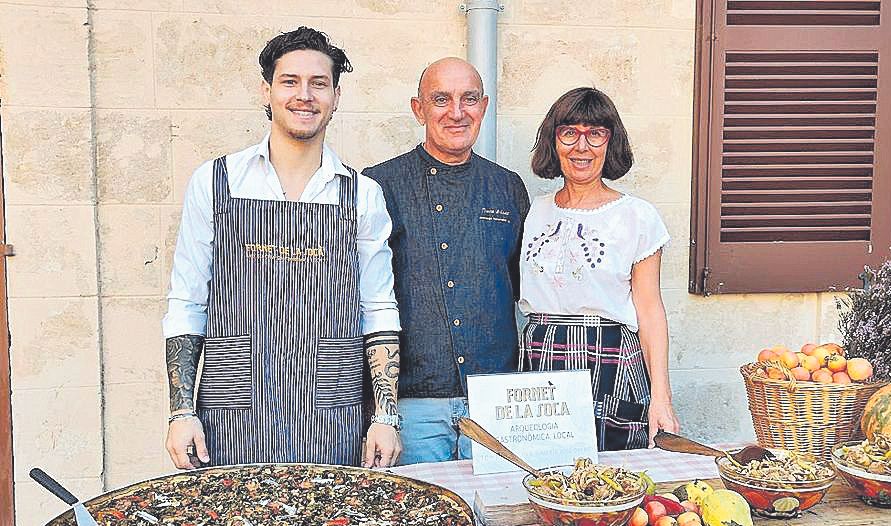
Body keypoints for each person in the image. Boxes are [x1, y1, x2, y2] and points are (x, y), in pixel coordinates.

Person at [162, 27, 403, 470]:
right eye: (290, 81)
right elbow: (187, 300)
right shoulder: (216, 182)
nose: (304, 96)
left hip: (332, 407)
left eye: (319, 84)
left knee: (333, 525)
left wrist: (386, 414)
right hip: (231, 405)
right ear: (267, 89)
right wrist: (181, 411)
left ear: (336, 96)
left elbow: (379, 307)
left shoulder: (362, 194)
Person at [362, 58, 531, 465]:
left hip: (495, 399)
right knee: (419, 522)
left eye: (468, 99)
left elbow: (520, 287)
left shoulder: (508, 187)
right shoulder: (378, 184)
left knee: (500, 519)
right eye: (441, 99)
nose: (457, 112)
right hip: (412, 405)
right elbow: (361, 297)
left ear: (484, 106)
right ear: (418, 109)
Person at [518, 87, 680, 450]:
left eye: (595, 134)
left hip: (612, 359)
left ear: (610, 143)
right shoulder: (534, 212)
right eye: (569, 133)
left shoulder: (637, 216)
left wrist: (661, 397)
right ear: (554, 141)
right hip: (543, 353)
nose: (582, 146)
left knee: (614, 481)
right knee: (544, 474)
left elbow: (650, 311)